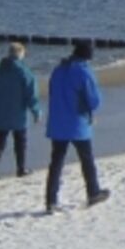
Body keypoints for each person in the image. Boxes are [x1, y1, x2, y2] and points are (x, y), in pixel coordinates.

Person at [44, 38, 111, 213]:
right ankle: (93, 192)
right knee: (86, 159)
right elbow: (94, 100)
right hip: (77, 121)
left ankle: (50, 200)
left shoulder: (58, 70)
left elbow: (51, 92)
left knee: (56, 162)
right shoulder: (83, 72)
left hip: (58, 121)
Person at [0, 41, 41, 181]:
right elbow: (31, 95)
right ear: (21, 54)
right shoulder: (25, 73)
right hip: (17, 113)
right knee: (20, 141)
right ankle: (21, 168)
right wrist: (36, 111)